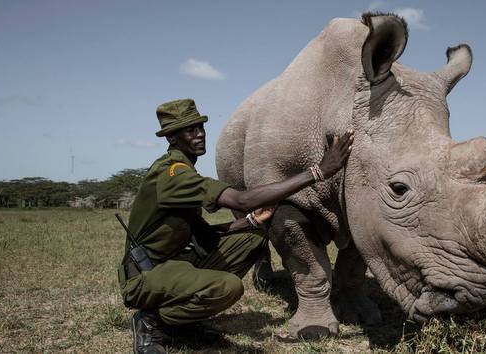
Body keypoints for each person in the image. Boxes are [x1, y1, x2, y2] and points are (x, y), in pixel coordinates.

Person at [118, 98, 354, 354]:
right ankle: (153, 322)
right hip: (147, 275)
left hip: (177, 263)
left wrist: (251, 221)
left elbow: (205, 235)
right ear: (172, 139)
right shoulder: (173, 175)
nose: (199, 134)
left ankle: (185, 319)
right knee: (228, 288)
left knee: (252, 240)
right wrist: (318, 171)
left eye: (200, 127)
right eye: (190, 130)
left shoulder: (185, 172)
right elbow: (241, 199)